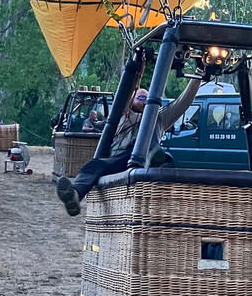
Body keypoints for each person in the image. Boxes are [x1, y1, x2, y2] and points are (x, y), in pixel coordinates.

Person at [56, 79, 201, 216]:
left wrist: (196, 78)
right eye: (142, 98)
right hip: (122, 159)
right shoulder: (122, 115)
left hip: (149, 158)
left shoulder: (160, 118)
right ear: (132, 99)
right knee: (94, 165)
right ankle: (75, 195)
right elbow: (126, 93)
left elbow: (184, 102)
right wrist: (135, 76)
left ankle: (151, 159)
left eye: (149, 99)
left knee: (161, 156)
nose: (147, 102)